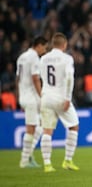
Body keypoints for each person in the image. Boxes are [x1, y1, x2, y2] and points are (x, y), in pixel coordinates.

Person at [39, 32, 80, 173]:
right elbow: (69, 78)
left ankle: (47, 165)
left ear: (52, 44)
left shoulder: (43, 59)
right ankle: (67, 160)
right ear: (65, 45)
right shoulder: (67, 58)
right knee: (74, 126)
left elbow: (40, 78)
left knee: (47, 131)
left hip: (46, 96)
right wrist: (68, 97)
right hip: (61, 97)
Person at [17, 36, 48, 168]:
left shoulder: (22, 57)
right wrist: (41, 96)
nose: (44, 51)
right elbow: (36, 78)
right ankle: (25, 160)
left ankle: (28, 156)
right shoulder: (34, 57)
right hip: (31, 97)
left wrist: (19, 97)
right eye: (44, 48)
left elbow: (18, 78)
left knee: (39, 126)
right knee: (31, 128)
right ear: (39, 45)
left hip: (23, 95)